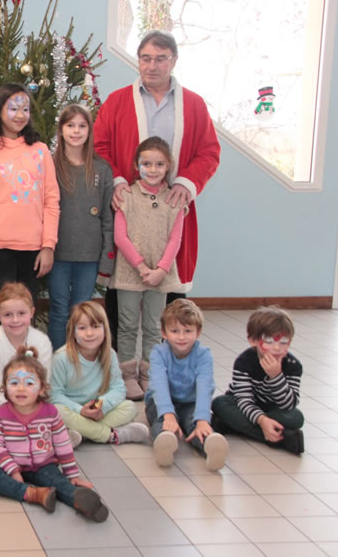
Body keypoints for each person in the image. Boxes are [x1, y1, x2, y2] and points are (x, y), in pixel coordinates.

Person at [94, 30, 220, 352]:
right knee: (121, 295)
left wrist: (187, 183)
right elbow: (100, 146)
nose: (152, 66)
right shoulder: (117, 101)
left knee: (169, 297)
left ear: (173, 61)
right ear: (138, 60)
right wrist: (118, 181)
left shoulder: (194, 105)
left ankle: (167, 360)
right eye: (146, 58)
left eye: (160, 59)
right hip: (128, 209)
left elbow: (209, 152)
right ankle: (118, 364)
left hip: (170, 212)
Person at [0, 346, 108, 522]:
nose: (21, 388)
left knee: (59, 483)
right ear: (5, 387)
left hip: (44, 466)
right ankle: (34, 494)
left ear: (41, 389)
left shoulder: (50, 412)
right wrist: (13, 470)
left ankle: (80, 501)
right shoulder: (0, 414)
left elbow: (63, 444)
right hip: (9, 467)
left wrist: (72, 474)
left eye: (29, 383)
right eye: (14, 383)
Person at [111, 136, 186, 400]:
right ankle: (127, 376)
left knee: (154, 327)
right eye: (146, 164)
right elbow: (120, 237)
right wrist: (141, 266)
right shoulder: (126, 196)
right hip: (130, 272)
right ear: (137, 165)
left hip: (160, 275)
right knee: (128, 325)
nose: (152, 170)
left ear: (168, 166)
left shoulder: (175, 200)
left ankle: (149, 374)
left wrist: (161, 269)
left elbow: (175, 239)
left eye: (159, 164)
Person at [0, 83, 60, 302]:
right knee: (4, 308)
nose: (20, 115)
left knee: (26, 308)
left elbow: (51, 201)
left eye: (25, 109)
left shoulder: (40, 151)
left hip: (33, 246)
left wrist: (48, 246)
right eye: (13, 109)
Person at [49, 105, 114, 350]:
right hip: (58, 254)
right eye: (70, 125)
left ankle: (79, 361)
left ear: (89, 130)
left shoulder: (101, 169)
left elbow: (107, 217)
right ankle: (58, 360)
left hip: (89, 256)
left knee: (82, 311)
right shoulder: (50, 165)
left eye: (82, 126)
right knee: (58, 309)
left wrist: (107, 258)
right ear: (61, 129)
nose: (76, 131)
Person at [50, 302, 148, 447]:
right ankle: (113, 435)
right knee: (57, 411)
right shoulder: (61, 358)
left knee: (130, 407)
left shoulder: (110, 354)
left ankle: (79, 433)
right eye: (82, 328)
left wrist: (102, 406)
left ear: (105, 329)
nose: (89, 333)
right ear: (73, 332)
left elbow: (118, 388)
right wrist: (80, 411)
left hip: (97, 410)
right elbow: (54, 395)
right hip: (72, 410)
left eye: (95, 326)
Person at [147, 299, 229, 470]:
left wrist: (202, 419)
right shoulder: (158, 353)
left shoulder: (204, 355)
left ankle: (210, 446)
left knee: (196, 424)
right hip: (160, 402)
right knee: (161, 421)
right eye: (174, 331)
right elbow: (159, 385)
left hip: (190, 403)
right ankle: (165, 442)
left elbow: (205, 387)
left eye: (188, 331)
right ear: (164, 333)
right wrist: (168, 414)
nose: (181, 337)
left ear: (198, 332)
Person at [212, 306, 304, 455]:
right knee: (219, 403)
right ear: (253, 340)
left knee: (296, 418)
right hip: (241, 405)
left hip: (272, 407)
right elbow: (244, 399)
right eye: (269, 341)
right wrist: (262, 421)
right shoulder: (244, 361)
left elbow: (289, 404)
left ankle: (232, 425)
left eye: (283, 342)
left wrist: (276, 377)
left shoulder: (293, 365)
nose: (276, 348)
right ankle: (282, 438)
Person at [0, 282, 53, 406]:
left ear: (32, 312)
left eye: (21, 313)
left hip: (33, 407)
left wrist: (30, 411)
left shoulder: (42, 341)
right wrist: (11, 414)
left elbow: (43, 383)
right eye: (8, 315)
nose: (15, 320)